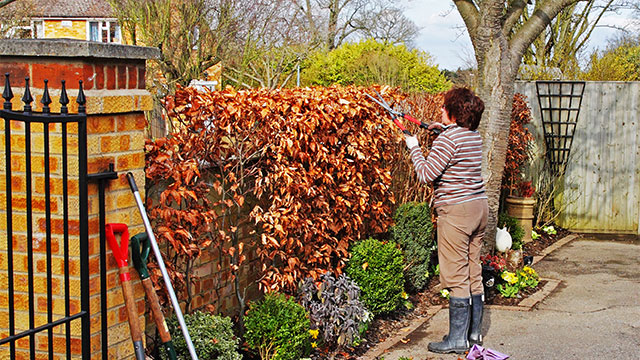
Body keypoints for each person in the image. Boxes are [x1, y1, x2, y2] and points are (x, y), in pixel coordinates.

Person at [404, 87, 488, 354]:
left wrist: (414, 147)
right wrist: (444, 130)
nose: (440, 109)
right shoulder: (473, 136)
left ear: (454, 113)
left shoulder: (449, 141)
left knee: (456, 275)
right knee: (473, 269)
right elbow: (456, 146)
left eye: (444, 107)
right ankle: (474, 335)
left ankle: (456, 341)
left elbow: (426, 174)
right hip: (479, 208)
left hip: (456, 213)